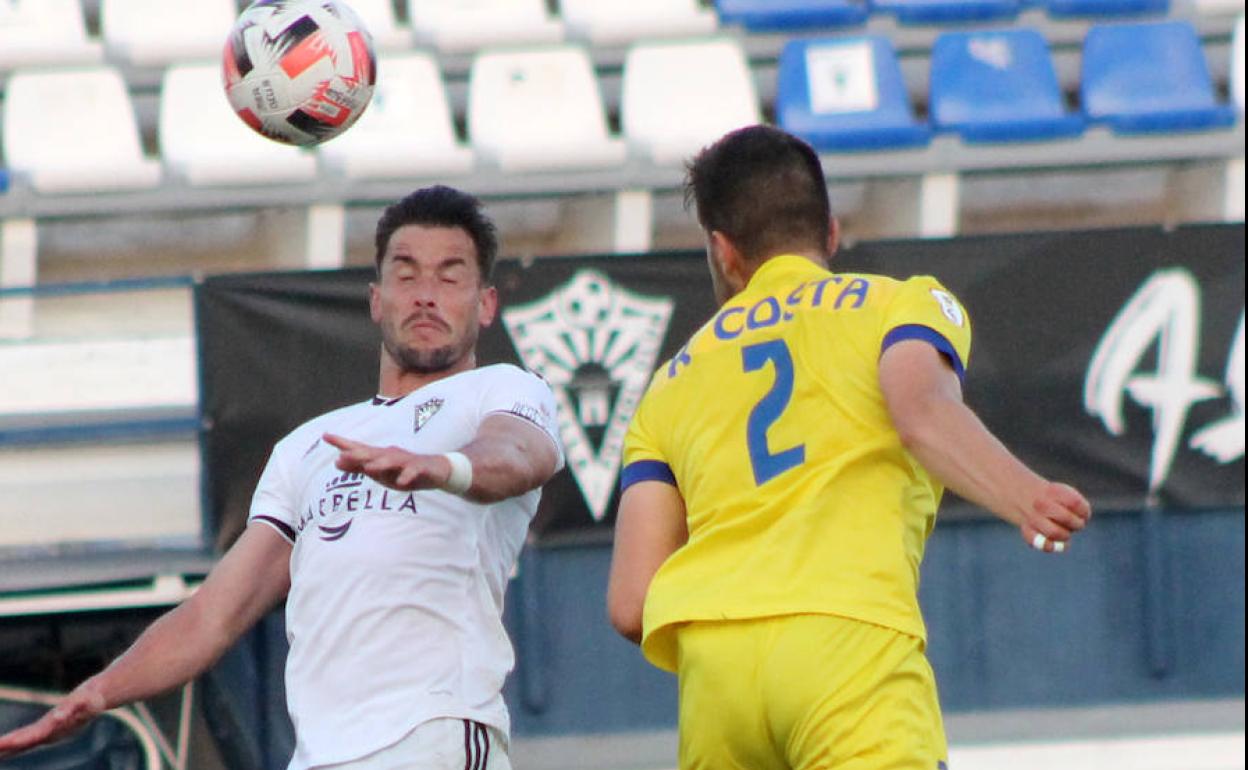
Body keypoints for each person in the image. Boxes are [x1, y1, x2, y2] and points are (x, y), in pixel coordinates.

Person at [0, 186, 563, 770]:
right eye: (406, 275)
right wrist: (98, 693)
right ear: (376, 299)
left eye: (450, 278)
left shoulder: (502, 391)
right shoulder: (308, 447)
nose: (425, 296)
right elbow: (213, 614)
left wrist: (443, 467)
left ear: (487, 303)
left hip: (434, 736)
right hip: (321, 754)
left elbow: (520, 455)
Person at [606, 125, 1092, 770]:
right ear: (830, 231)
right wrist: (1026, 495)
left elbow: (631, 603)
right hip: (846, 646)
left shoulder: (669, 382)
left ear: (723, 251)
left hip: (714, 672)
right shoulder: (902, 305)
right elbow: (920, 412)